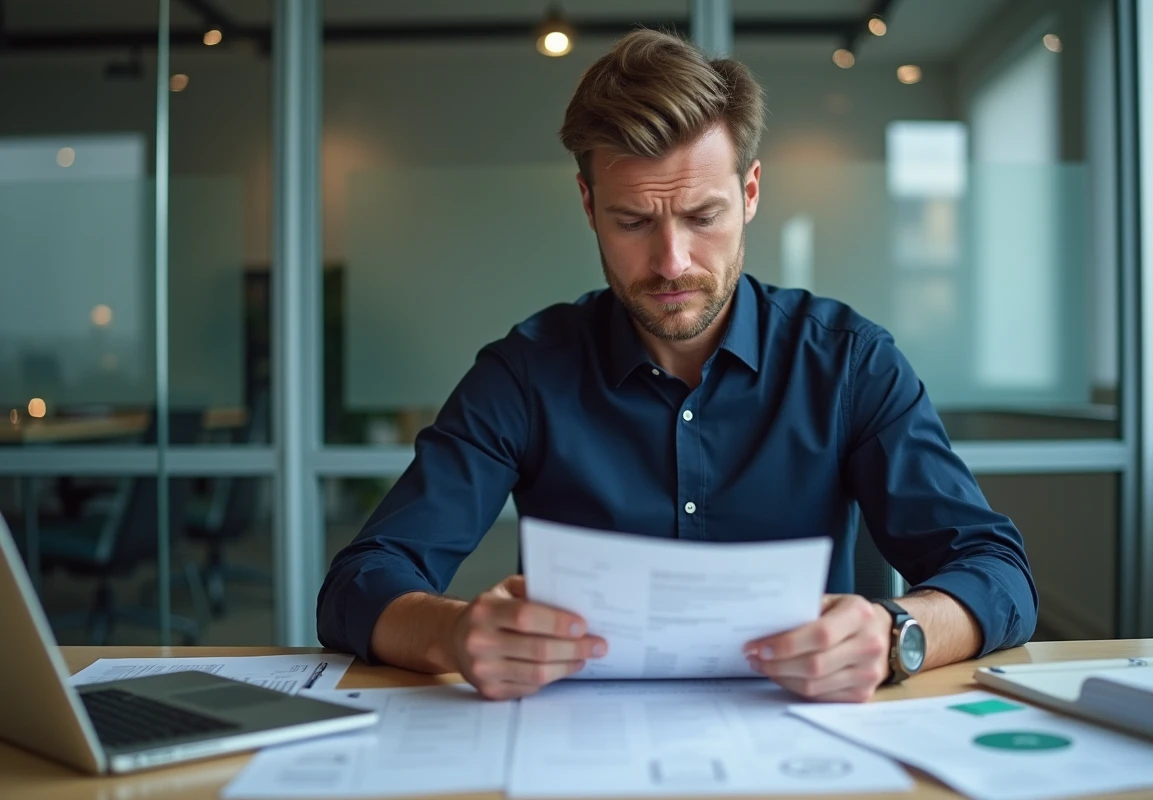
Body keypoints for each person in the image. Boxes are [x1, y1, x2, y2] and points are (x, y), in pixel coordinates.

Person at [318, 29, 1037, 702]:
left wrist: (894, 634)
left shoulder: (850, 363)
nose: (671, 262)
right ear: (588, 205)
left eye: (703, 216)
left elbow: (998, 573)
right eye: (633, 221)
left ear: (750, 193)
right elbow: (360, 582)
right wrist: (451, 631)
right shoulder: (525, 373)